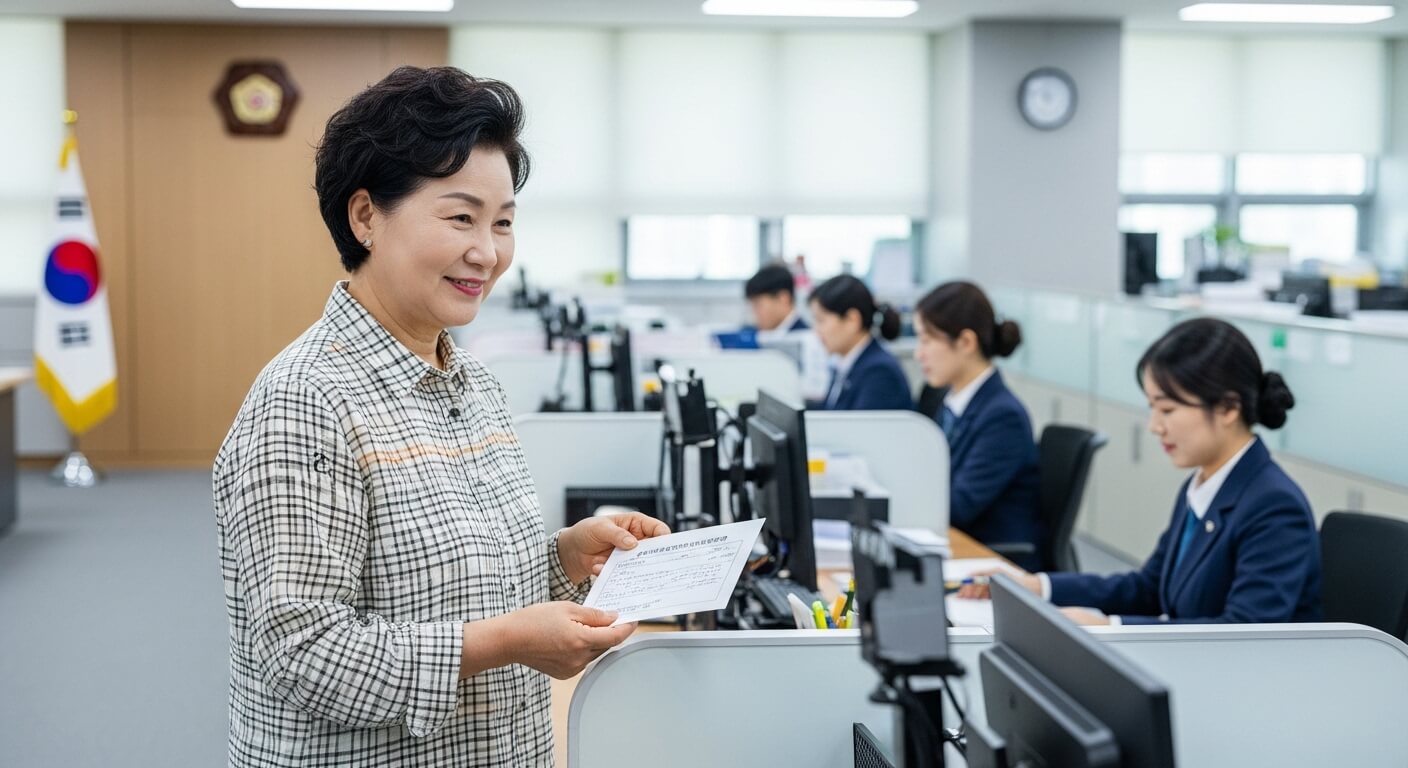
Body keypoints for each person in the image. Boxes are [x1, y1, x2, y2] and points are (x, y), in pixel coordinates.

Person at [211, 66, 669, 767]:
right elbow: (300, 652)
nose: (487, 252)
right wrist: (506, 644)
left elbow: (453, 588)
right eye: (460, 217)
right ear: (366, 217)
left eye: (504, 222)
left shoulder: (473, 383)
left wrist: (567, 556)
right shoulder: (306, 400)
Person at [959, 318, 1321, 626]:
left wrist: (1110, 627)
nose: (1154, 426)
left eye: (1167, 410)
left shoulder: (1273, 506)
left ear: (1228, 408)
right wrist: (1037, 586)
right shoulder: (1203, 485)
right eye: (1152, 409)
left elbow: (1239, 634)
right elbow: (1148, 589)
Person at [913, 281, 1041, 569]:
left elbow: (957, 506)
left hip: (986, 561)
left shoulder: (1002, 417)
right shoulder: (951, 401)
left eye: (927, 340)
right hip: (953, 548)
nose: (919, 354)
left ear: (966, 343)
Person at [809, 274, 913, 411]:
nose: (816, 331)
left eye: (821, 320)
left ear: (852, 320)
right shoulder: (845, 363)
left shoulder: (879, 373)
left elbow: (858, 431)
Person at [745, 263, 808, 336]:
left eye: (758, 305)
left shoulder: (806, 338)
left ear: (783, 299)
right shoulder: (758, 335)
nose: (754, 313)